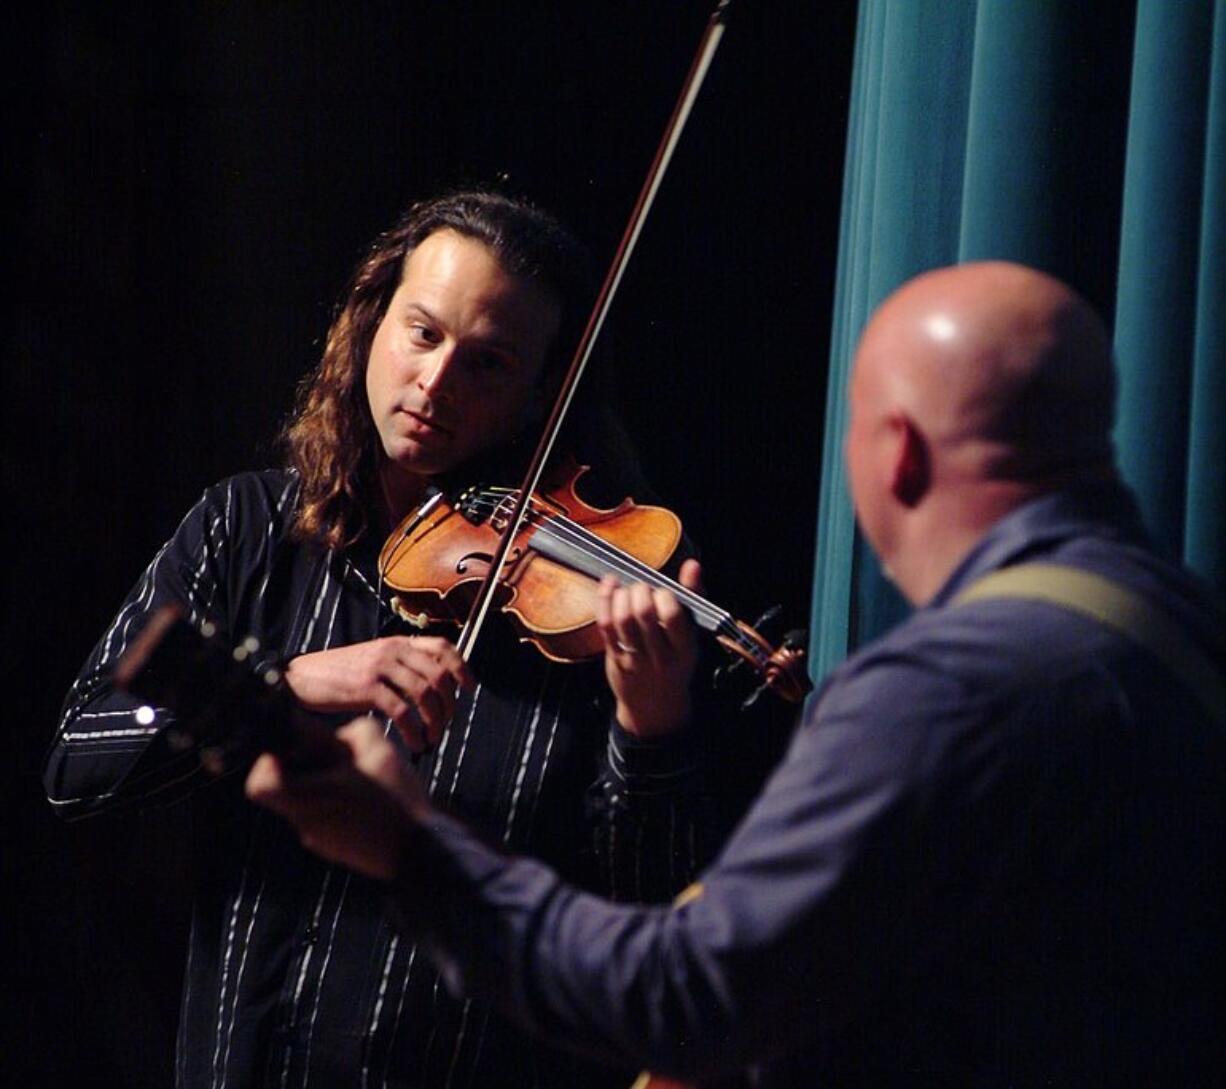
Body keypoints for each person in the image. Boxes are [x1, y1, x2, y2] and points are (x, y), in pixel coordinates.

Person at [247, 261, 1225, 1087]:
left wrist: (416, 851)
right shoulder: (1181, 632)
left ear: (897, 455)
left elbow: (686, 998)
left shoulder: (947, 688)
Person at [45, 191, 720, 1089]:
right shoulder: (243, 529)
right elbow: (77, 763)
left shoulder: (578, 608)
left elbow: (651, 922)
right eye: (423, 333)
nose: (436, 384)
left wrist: (651, 726)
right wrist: (289, 682)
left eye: (489, 363)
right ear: (371, 325)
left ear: (539, 398)